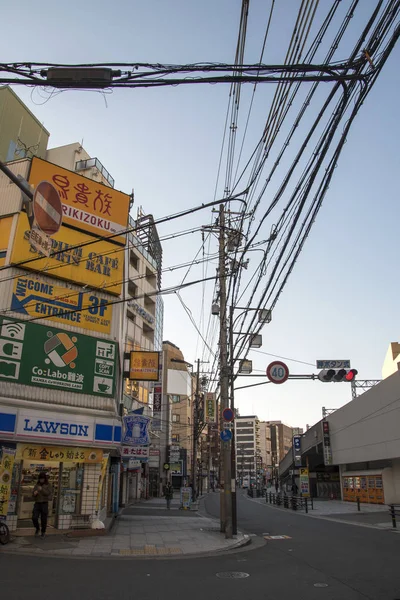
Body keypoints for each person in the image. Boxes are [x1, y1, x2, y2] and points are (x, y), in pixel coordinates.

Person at [32, 472, 53, 538]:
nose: (41, 480)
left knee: (43, 519)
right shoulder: (37, 485)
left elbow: (48, 493)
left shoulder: (48, 485)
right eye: (40, 479)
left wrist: (42, 489)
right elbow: (33, 493)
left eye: (42, 479)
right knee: (34, 517)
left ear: (45, 479)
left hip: (44, 503)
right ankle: (37, 528)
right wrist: (34, 493)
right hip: (37, 503)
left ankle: (43, 531)